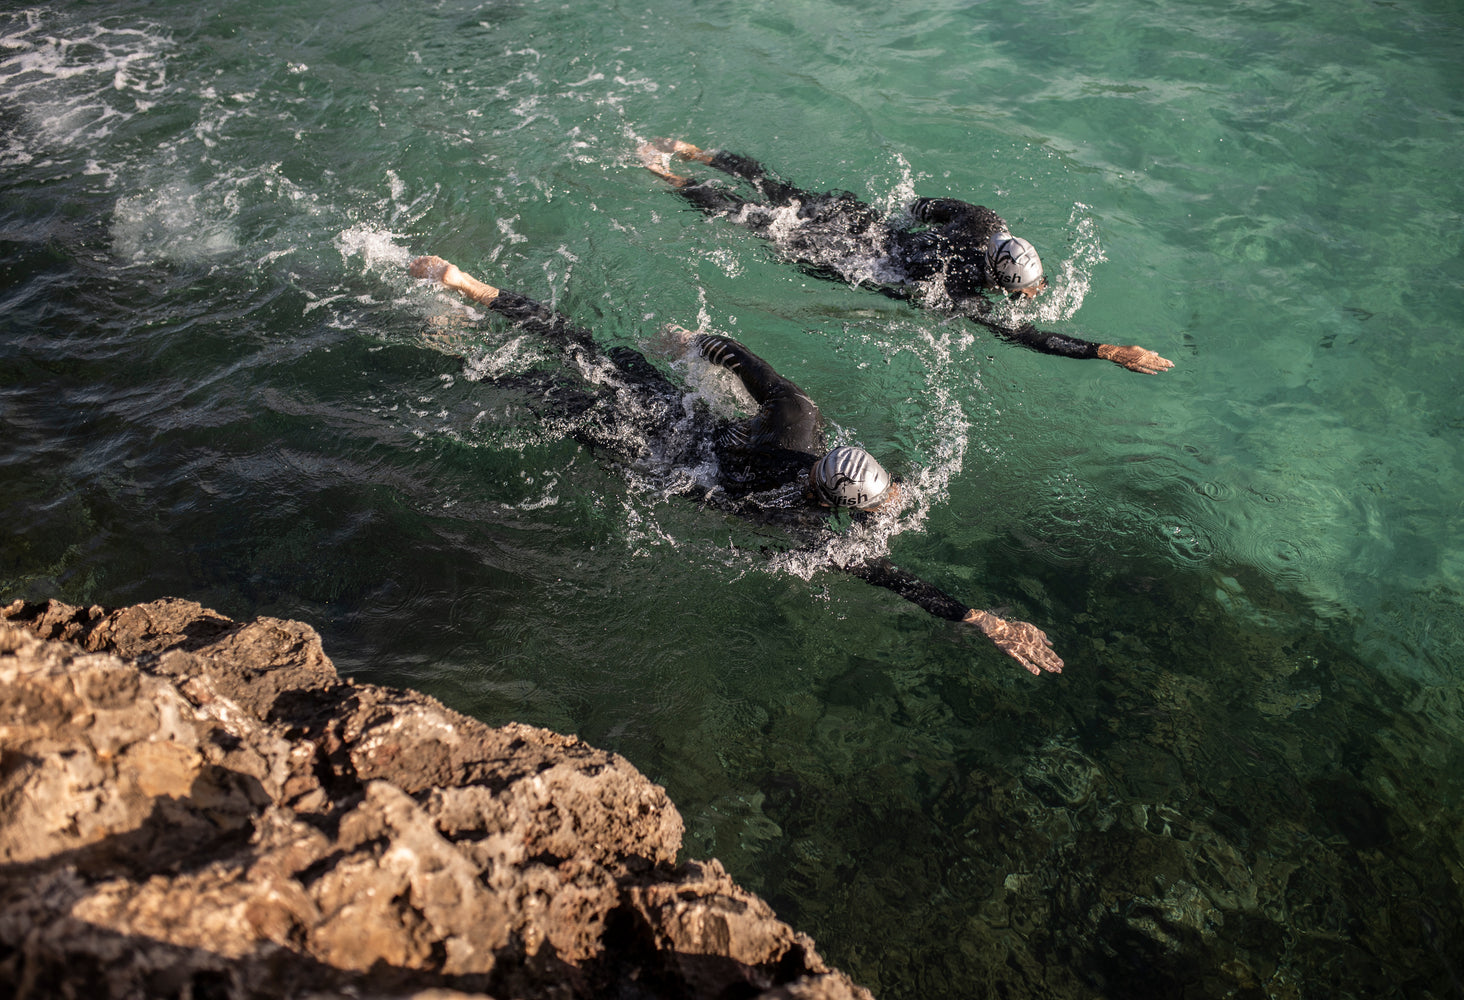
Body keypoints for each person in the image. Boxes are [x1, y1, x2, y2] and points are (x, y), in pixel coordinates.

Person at [409, 254, 1063, 675]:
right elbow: (894, 579)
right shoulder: (805, 528)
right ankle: (454, 346)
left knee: (577, 344)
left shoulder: (799, 421)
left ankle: (466, 284)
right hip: (658, 465)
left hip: (681, 420)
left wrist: (694, 342)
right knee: (549, 397)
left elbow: (748, 362)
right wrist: (980, 618)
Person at [637, 139, 1173, 375]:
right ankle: (668, 177)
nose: (1036, 292)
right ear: (997, 276)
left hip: (867, 223)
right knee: (747, 218)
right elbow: (1025, 336)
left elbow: (924, 205)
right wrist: (1103, 350)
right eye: (1025, 289)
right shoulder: (959, 293)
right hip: (848, 256)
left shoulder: (985, 221)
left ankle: (691, 151)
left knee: (781, 194)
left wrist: (910, 221)